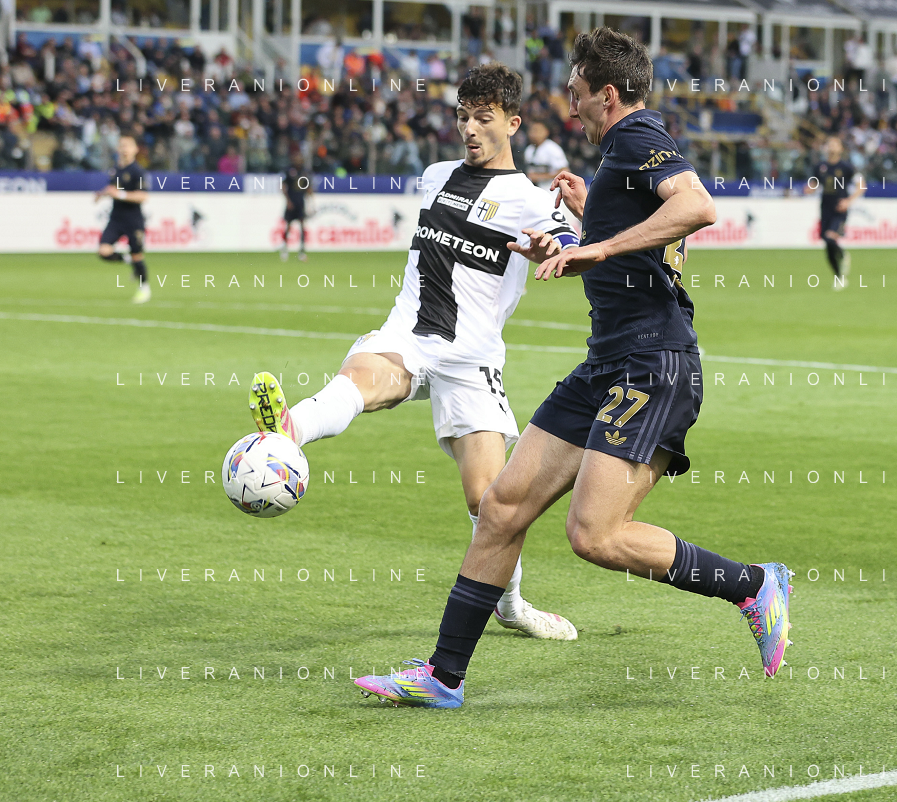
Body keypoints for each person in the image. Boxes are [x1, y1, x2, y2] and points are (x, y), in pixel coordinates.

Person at [354, 27, 793, 710]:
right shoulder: (620, 158)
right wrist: (581, 235)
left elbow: (697, 206)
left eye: (576, 93)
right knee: (501, 507)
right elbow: (645, 253)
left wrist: (599, 246)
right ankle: (442, 676)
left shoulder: (636, 135)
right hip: (607, 363)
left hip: (651, 364)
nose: (570, 106)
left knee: (595, 535)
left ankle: (753, 585)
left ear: (607, 95)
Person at [249, 63, 581, 641]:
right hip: (409, 333)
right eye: (463, 117)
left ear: (513, 123)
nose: (470, 129)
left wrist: (554, 247)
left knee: (490, 502)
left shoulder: (529, 199)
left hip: (472, 356)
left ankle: (511, 605)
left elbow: (572, 244)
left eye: (483, 118)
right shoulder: (436, 176)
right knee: (363, 378)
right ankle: (287, 431)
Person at [95, 134, 150, 304]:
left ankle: (144, 288)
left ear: (135, 149)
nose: (124, 149)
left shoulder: (138, 171)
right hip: (116, 218)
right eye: (122, 145)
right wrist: (102, 194)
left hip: (133, 219)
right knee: (104, 251)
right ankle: (128, 260)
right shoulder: (115, 170)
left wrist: (120, 194)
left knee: (137, 255)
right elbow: (113, 188)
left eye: (128, 145)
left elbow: (143, 196)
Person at [804, 135, 863, 284]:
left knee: (830, 238)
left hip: (839, 209)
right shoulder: (820, 167)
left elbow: (861, 186)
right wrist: (809, 189)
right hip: (825, 208)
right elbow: (814, 184)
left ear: (841, 149)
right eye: (829, 144)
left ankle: (842, 254)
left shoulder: (847, 167)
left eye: (835, 144)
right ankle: (839, 277)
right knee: (827, 243)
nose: (831, 147)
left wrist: (848, 201)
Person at [280, 153, 311, 262]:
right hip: (292, 202)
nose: (298, 161)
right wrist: (288, 201)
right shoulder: (289, 171)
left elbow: (308, 187)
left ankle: (302, 250)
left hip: (300, 203)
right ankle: (284, 248)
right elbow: (283, 186)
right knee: (288, 226)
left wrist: (310, 198)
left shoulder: (305, 172)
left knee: (302, 226)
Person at [522, 120, 568, 188]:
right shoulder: (529, 150)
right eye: (532, 130)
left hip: (551, 190)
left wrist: (540, 177)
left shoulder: (553, 148)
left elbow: (565, 171)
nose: (534, 133)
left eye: (537, 130)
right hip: (534, 190)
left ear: (546, 132)